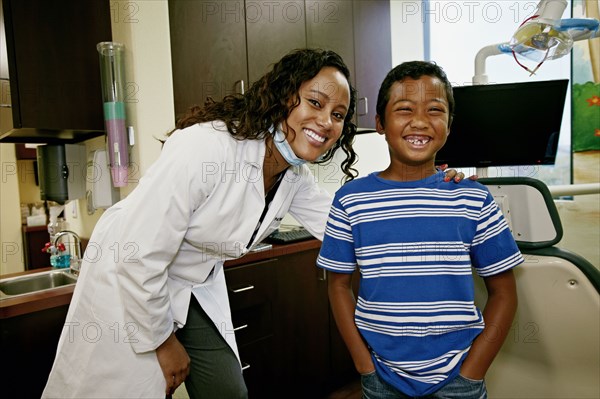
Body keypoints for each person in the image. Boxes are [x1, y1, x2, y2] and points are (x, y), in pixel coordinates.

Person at [42, 49, 464, 399]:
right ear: (284, 97)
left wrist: (427, 194)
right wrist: (161, 341)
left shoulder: (292, 175)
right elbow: (139, 253)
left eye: (338, 114)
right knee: (124, 390)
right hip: (129, 272)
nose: (325, 122)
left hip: (193, 284)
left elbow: (352, 222)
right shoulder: (206, 147)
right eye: (315, 103)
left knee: (227, 391)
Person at [317, 61, 522, 399]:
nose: (420, 121)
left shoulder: (473, 198)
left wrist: (473, 372)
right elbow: (338, 287)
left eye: (435, 110)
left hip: (459, 378)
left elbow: (504, 293)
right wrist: (363, 365)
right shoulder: (350, 200)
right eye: (404, 110)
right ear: (380, 123)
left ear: (449, 125)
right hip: (381, 377)